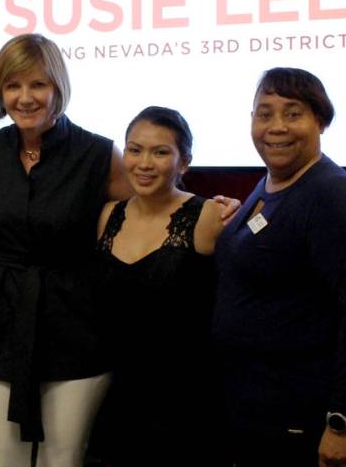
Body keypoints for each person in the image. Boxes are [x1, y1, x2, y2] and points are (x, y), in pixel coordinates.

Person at [212, 67, 346, 467]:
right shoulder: (273, 183)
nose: (276, 127)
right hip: (267, 408)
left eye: (293, 113)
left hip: (313, 415)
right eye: (264, 114)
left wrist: (343, 420)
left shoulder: (334, 196)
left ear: (321, 120)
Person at [0, 33, 133, 467]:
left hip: (74, 326)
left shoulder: (98, 154)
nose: (24, 97)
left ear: (57, 87)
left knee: (61, 460)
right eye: (12, 86)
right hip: (4, 325)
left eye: (37, 85)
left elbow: (151, 210)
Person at [94, 106, 227, 466]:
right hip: (116, 397)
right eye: (134, 150)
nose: (144, 163)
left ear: (184, 162)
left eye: (161, 152)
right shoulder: (108, 216)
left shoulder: (210, 216)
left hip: (187, 401)